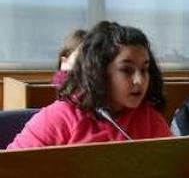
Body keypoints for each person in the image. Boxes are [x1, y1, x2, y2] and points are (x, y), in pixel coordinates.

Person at [8, 21, 171, 149]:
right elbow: (10, 172)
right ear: (99, 72)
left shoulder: (149, 118)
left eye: (144, 70)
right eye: (127, 70)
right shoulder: (58, 117)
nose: (140, 80)